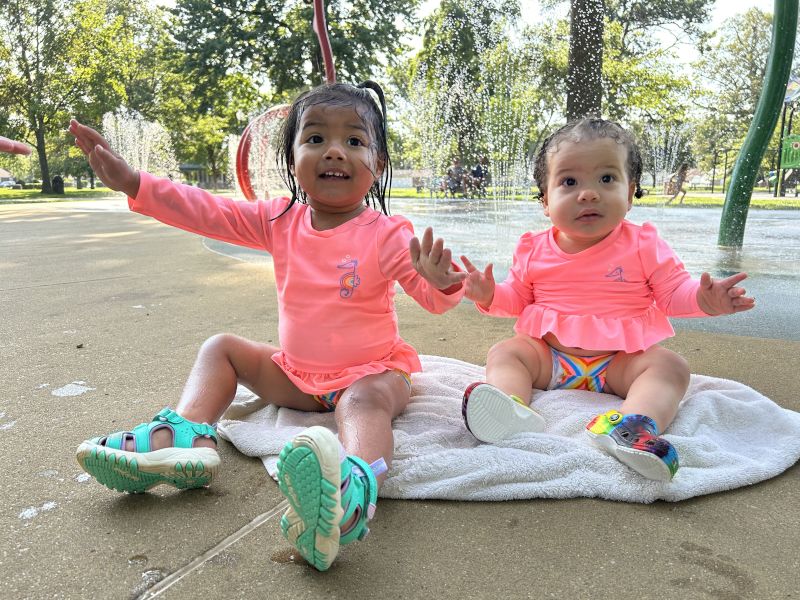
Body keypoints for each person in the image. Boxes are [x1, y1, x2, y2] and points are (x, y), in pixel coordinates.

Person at [69, 81, 466, 571]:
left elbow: (432, 298)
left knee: (364, 401)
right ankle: (187, 438)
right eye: (315, 138)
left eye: (355, 141)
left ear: (378, 164)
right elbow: (207, 211)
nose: (334, 150)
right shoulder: (279, 219)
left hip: (374, 372)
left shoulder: (388, 234)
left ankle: (354, 488)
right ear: (292, 156)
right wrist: (135, 183)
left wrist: (442, 283)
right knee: (222, 347)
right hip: (298, 377)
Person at [459, 118, 754, 482]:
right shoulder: (533, 249)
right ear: (545, 202)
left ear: (630, 194)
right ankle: (510, 407)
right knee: (506, 352)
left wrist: (705, 300)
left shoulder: (643, 245)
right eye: (569, 182)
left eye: (606, 179)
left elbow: (673, 292)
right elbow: (517, 298)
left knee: (670, 366)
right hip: (549, 359)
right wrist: (489, 295)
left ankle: (632, 427)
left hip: (619, 365)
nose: (588, 193)